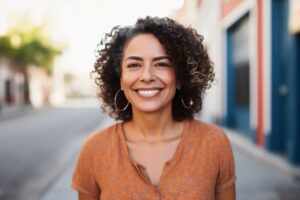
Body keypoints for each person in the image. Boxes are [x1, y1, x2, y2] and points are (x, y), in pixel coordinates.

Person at [71, 16, 236, 200]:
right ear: (120, 80)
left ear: (180, 78)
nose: (147, 76)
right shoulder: (95, 150)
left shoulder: (214, 143)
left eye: (162, 64)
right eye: (134, 65)